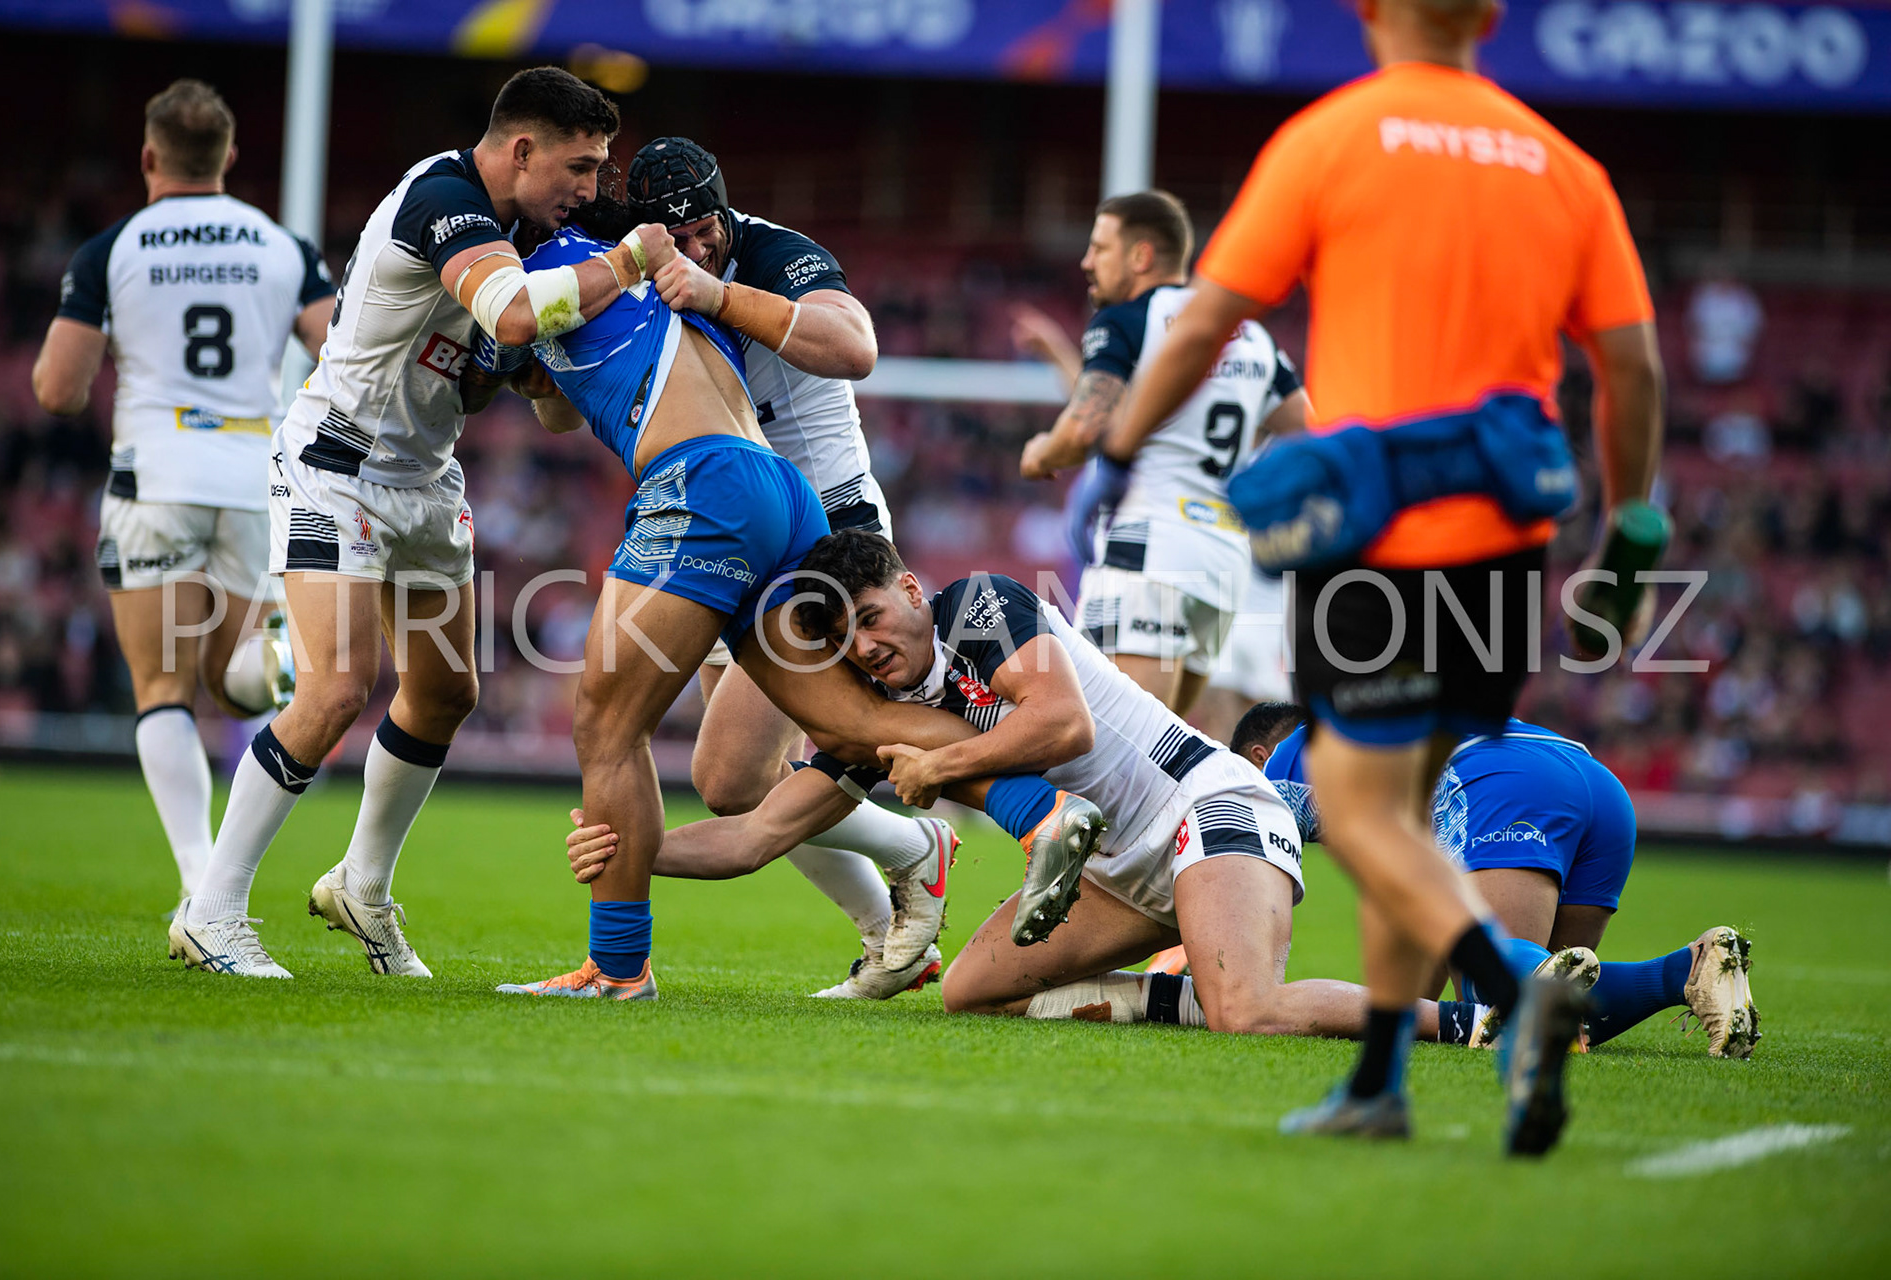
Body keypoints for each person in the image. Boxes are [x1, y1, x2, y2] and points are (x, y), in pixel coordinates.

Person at [1113, 0, 1666, 1154]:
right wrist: (1631, 531)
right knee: (1408, 813)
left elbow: (1212, 319)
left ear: (1368, 10)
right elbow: (1631, 366)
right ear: (1491, 16)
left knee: (1363, 815)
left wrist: (1119, 447)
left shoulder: (1332, 136)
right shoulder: (1564, 167)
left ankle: (1520, 993)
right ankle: (1377, 1078)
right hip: (1506, 531)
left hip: (1372, 531)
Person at [474, 202, 1107, 1003]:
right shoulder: (644, 276)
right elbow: (556, 398)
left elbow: (519, 352)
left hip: (738, 498)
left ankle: (618, 966)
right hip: (778, 494)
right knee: (788, 755)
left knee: (608, 721)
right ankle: (1032, 817)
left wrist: (506, 324)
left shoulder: (604, 268)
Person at [558, 530, 1471, 1045]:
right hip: (1118, 866)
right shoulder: (875, 716)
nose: (869, 649)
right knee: (973, 992)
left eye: (873, 619)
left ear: (911, 591)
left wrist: (940, 764)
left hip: (1208, 808)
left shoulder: (980, 606)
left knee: (1251, 1015)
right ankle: (1181, 988)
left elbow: (1062, 726)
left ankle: (1470, 1023)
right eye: (846, 644)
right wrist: (634, 853)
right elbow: (758, 835)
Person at [167, 67, 631, 979]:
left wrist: (555, 360)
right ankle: (211, 910)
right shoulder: (445, 197)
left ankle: (362, 887)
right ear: (522, 148)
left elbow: (551, 410)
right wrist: (628, 263)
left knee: (448, 691)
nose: (590, 188)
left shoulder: (524, 234)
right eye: (580, 165)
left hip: (422, 473)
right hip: (337, 465)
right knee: (338, 688)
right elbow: (508, 310)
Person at [624, 138, 951, 992]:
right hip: (737, 535)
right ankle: (891, 933)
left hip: (825, 540)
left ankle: (915, 846)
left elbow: (856, 348)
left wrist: (718, 295)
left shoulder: (773, 252)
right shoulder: (637, 263)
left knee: (729, 780)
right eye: (675, 240)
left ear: (722, 213)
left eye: (703, 231)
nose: (692, 251)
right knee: (750, 778)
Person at [32, 79, 331, 916]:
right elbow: (342, 354)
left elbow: (57, 390)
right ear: (230, 157)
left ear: (148, 157)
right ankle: (271, 663)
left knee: (163, 688)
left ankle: (200, 882)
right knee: (229, 677)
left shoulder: (110, 251)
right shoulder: (283, 247)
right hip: (250, 478)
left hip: (157, 474)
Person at [1243, 702, 1760, 1058]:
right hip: (1592, 783)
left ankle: (1681, 972)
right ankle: (1684, 972)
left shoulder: (1280, 767)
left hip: (1503, 781)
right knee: (1547, 1020)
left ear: (1254, 758)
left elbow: (1244, 889)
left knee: (1499, 1005)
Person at [1016, 191, 1306, 719]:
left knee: (1126, 753)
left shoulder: (1126, 321)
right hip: (1223, 560)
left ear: (1141, 256)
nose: (1086, 262)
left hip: (1148, 549)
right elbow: (1311, 428)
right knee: (1172, 751)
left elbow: (1084, 427)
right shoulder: (1253, 337)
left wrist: (1040, 452)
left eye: (1099, 248)